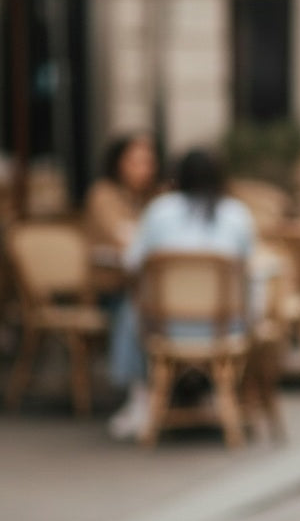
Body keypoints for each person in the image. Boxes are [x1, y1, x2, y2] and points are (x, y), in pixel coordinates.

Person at [106, 148, 256, 440]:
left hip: (164, 328)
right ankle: (215, 393)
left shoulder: (160, 210)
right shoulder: (237, 215)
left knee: (129, 306)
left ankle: (139, 398)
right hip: (224, 328)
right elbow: (250, 270)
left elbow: (133, 263)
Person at [84, 132, 161, 295]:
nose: (145, 170)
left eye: (149, 163)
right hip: (113, 286)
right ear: (118, 163)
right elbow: (123, 237)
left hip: (146, 283)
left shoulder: (152, 197)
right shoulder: (103, 195)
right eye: (137, 162)